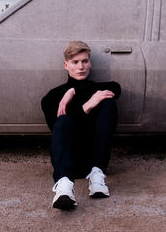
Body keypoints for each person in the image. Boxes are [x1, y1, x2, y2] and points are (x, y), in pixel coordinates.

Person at [41, 41, 121, 210]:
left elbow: (116, 88)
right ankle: (64, 187)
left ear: (90, 63)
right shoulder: (53, 96)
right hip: (68, 160)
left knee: (108, 102)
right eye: (75, 62)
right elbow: (55, 128)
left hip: (94, 161)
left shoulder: (97, 89)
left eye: (84, 61)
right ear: (66, 65)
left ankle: (97, 176)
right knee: (62, 120)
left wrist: (74, 91)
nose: (81, 67)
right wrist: (87, 104)